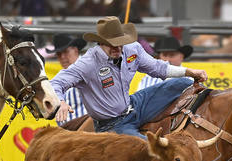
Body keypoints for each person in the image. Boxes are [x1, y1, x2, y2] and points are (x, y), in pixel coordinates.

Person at [50, 16, 207, 139]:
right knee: (149, 149)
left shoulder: (132, 50)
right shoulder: (87, 64)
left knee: (182, 83)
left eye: (121, 43)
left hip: (134, 104)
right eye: (112, 44)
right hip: (110, 123)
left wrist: (189, 71)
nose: (118, 48)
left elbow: (158, 68)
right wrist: (61, 102)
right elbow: (56, 83)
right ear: (101, 43)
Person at [138, 36, 196, 161]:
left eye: (172, 54)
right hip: (155, 137)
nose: (168, 58)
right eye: (164, 55)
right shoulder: (148, 78)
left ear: (181, 56)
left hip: (179, 136)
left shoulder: (190, 80)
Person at [45, 33, 88, 125]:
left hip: (84, 128)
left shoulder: (86, 69)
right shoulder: (62, 77)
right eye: (59, 54)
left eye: (66, 52)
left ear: (75, 50)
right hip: (68, 131)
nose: (62, 57)